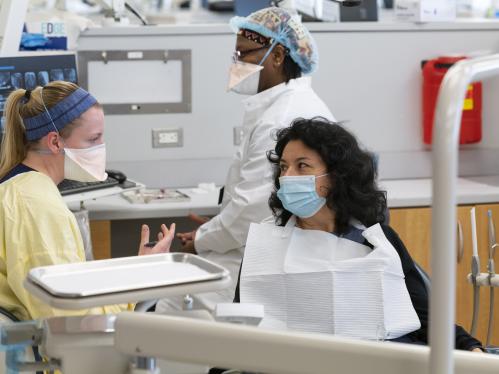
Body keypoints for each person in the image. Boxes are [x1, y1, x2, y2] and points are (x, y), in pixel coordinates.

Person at [234, 117, 483, 351]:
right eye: (284, 167)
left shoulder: (378, 240)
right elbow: (238, 330)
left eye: (302, 166)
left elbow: (427, 319)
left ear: (336, 177)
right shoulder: (264, 245)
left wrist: (470, 347)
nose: (287, 177)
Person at [159, 7, 334, 313]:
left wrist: (204, 239)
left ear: (278, 56)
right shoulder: (280, 105)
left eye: (244, 54)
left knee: (172, 306)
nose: (237, 63)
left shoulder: (282, 117)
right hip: (262, 245)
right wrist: (214, 230)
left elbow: (253, 209)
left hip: (268, 258)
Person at [0, 81, 174, 321]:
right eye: (93, 139)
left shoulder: (24, 187)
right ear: (54, 142)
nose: (100, 148)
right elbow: (72, 317)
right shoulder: (36, 205)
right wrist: (142, 275)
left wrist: (137, 268)